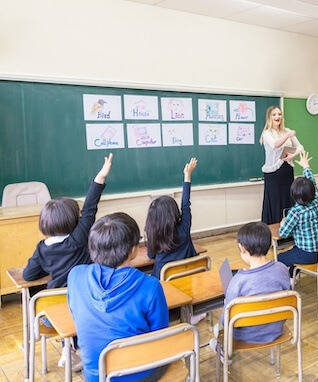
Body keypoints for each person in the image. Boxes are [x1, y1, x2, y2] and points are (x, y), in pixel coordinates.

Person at [23, 153, 114, 370]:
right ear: (74, 221)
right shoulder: (79, 237)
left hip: (56, 309)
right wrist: (100, 176)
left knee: (54, 304)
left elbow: (27, 276)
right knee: (77, 307)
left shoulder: (42, 249)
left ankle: (68, 349)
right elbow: (90, 207)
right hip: (89, 303)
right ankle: (81, 347)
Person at [68, 213, 169, 382]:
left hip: (95, 374)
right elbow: (160, 335)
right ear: (133, 249)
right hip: (141, 372)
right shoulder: (150, 286)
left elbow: (75, 313)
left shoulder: (75, 275)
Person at [222, 222, 291, 343]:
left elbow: (226, 320)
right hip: (276, 329)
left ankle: (224, 352)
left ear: (242, 248)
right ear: (270, 245)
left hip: (245, 335)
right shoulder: (282, 268)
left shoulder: (238, 280)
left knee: (218, 329)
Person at [145, 158, 198, 279]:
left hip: (163, 281)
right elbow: (185, 204)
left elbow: (151, 256)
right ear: (174, 212)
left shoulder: (153, 233)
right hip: (189, 276)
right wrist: (187, 176)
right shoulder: (184, 228)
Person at [277, 151, 318, 278]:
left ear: (294, 195)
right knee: (293, 251)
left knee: (278, 258)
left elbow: (283, 233)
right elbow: (312, 183)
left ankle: (284, 282)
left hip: (307, 254)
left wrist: (283, 222)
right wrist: (306, 166)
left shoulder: (296, 212)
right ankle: (292, 276)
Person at [260, 106, 304, 224]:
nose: (277, 117)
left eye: (279, 114)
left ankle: (289, 227)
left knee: (288, 199)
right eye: (274, 114)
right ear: (269, 117)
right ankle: (275, 230)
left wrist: (292, 156)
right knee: (275, 201)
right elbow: (275, 145)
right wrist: (288, 136)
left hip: (287, 170)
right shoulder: (267, 133)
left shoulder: (287, 130)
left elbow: (300, 147)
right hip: (273, 174)